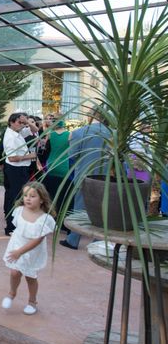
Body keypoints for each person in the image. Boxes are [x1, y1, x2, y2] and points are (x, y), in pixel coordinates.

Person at [1, 182, 56, 316]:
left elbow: (37, 241)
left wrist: (20, 252)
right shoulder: (19, 210)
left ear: (42, 199)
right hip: (17, 245)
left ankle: (32, 301)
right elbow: (19, 230)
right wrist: (17, 251)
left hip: (32, 251)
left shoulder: (45, 219)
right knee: (14, 273)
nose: (28, 198)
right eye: (26, 195)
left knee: (30, 277)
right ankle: (12, 292)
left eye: (32, 196)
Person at [61, 107, 111, 250]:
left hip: (84, 174)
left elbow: (72, 156)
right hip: (105, 176)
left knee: (80, 207)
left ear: (90, 115)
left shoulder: (79, 132)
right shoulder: (112, 134)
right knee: (102, 208)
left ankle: (73, 239)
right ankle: (97, 240)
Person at [2, 113, 38, 236]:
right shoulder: (11, 136)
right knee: (14, 198)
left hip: (21, 168)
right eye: (19, 122)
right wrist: (30, 156)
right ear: (11, 122)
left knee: (17, 197)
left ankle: (15, 224)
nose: (21, 125)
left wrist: (27, 121)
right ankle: (11, 227)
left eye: (22, 123)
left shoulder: (17, 132)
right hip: (15, 169)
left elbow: (35, 130)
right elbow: (12, 158)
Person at [42, 114, 72, 217]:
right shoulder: (69, 134)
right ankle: (61, 217)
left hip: (51, 163)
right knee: (62, 193)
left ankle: (51, 215)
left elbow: (46, 148)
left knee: (51, 192)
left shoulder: (50, 134)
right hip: (63, 164)